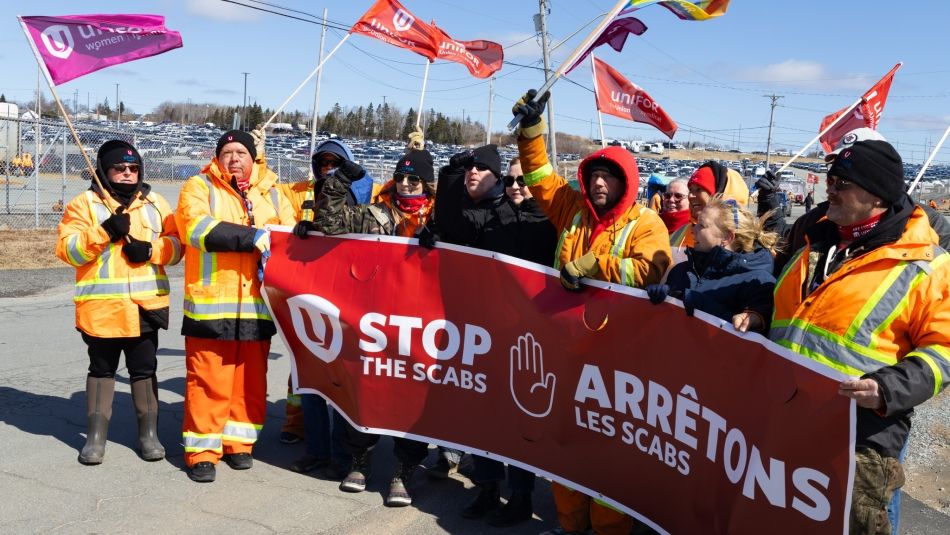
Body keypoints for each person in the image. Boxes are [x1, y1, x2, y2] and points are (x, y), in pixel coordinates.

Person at [770, 139, 950, 535]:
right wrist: (754, 311)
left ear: (875, 195)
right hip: (789, 418)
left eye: (841, 182)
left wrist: (887, 389)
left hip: (861, 436)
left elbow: (944, 349)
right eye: (830, 179)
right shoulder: (816, 240)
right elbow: (783, 308)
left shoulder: (926, 264)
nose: (828, 188)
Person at [513, 89, 672, 535]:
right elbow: (540, 175)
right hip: (567, 351)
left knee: (608, 458)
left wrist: (595, 266)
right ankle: (569, 527)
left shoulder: (646, 223)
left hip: (618, 363)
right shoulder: (572, 210)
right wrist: (531, 132)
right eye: (594, 176)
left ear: (626, 184)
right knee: (566, 448)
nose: (599, 183)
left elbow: (652, 269)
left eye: (608, 177)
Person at [433, 148, 557, 526]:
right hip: (487, 332)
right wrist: (451, 175)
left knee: (522, 421)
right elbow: (452, 218)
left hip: (529, 341)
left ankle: (520, 495)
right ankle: (487, 486)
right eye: (510, 180)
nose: (517, 186)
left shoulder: (551, 224)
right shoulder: (490, 217)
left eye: (524, 180)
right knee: (484, 413)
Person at [313, 148, 436, 507]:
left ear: (426, 185)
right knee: (365, 390)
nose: (405, 184)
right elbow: (331, 221)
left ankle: (404, 470)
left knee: (412, 399)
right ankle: (360, 460)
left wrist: (440, 238)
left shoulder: (439, 219)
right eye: (400, 177)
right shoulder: (375, 215)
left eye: (413, 179)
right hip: (374, 321)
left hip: (420, 326)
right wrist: (340, 178)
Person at [176, 130, 296, 483]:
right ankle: (202, 452)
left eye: (241, 152)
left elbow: (289, 233)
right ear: (217, 157)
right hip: (211, 306)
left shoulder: (273, 192)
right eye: (226, 152)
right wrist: (251, 237)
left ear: (253, 157)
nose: (234, 158)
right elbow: (196, 229)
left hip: (258, 305)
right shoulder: (199, 186)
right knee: (208, 382)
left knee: (249, 382)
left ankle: (239, 445)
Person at [56, 140, 181, 465]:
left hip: (145, 307)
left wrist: (151, 250)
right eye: (119, 168)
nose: (127, 174)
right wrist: (105, 232)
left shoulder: (156, 203)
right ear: (103, 171)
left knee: (144, 370)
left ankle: (148, 436)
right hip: (102, 310)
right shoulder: (84, 204)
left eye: (133, 168)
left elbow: (178, 247)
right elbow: (68, 250)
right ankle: (95, 439)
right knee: (102, 370)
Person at [277, 138, 372, 478]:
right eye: (322, 163)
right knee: (314, 385)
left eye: (335, 163)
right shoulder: (306, 198)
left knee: (343, 388)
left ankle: (344, 457)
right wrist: (297, 236)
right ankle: (317, 451)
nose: (327, 169)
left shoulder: (362, 199)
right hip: (314, 307)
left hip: (351, 311)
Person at [646, 197, 778, 333]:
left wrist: (696, 302)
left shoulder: (758, 282)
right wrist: (656, 299)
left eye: (702, 225)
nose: (693, 230)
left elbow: (746, 337)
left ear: (727, 237)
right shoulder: (680, 271)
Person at [670, 161, 749, 265]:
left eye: (699, 189)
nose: (691, 196)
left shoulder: (746, 239)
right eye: (690, 190)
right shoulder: (681, 233)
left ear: (719, 194)